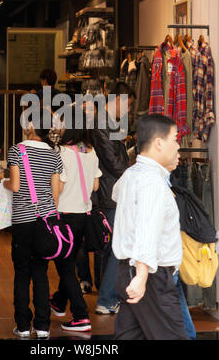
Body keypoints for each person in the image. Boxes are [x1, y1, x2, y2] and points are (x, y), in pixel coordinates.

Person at [112, 113, 187, 340]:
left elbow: (117, 196)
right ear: (158, 143)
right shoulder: (151, 182)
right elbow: (147, 227)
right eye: (175, 139)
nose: (178, 146)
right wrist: (143, 274)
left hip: (129, 270)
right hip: (150, 276)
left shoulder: (131, 174)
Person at [0, 108, 63, 339]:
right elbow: (55, 193)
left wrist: (0, 180)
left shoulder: (16, 150)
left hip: (23, 220)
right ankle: (42, 327)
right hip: (47, 219)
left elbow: (15, 186)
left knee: (22, 272)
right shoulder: (54, 154)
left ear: (32, 126)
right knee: (41, 272)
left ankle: (23, 326)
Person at [50, 106, 102, 332]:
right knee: (68, 262)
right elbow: (95, 185)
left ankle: (80, 315)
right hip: (83, 216)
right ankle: (59, 301)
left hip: (64, 216)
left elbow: (57, 189)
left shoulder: (61, 152)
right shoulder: (89, 150)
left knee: (64, 267)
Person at [89, 82, 134, 314]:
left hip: (112, 191)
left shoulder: (108, 123)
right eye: (127, 105)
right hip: (110, 192)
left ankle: (108, 296)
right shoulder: (100, 124)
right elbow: (112, 161)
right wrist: (133, 172)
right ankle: (106, 298)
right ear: (118, 99)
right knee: (118, 247)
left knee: (111, 248)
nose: (127, 111)